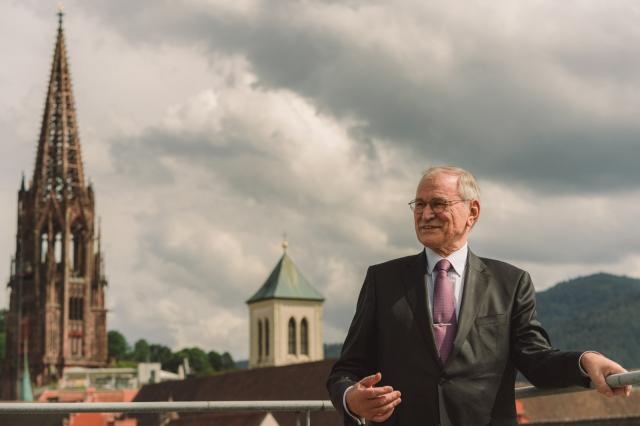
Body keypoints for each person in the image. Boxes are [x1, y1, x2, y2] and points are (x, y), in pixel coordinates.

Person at [327, 166, 632, 426]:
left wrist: (585, 360)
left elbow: (536, 359)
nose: (425, 214)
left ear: (472, 212)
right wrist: (351, 399)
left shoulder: (510, 283)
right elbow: (346, 369)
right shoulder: (382, 280)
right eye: (419, 205)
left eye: (438, 203)